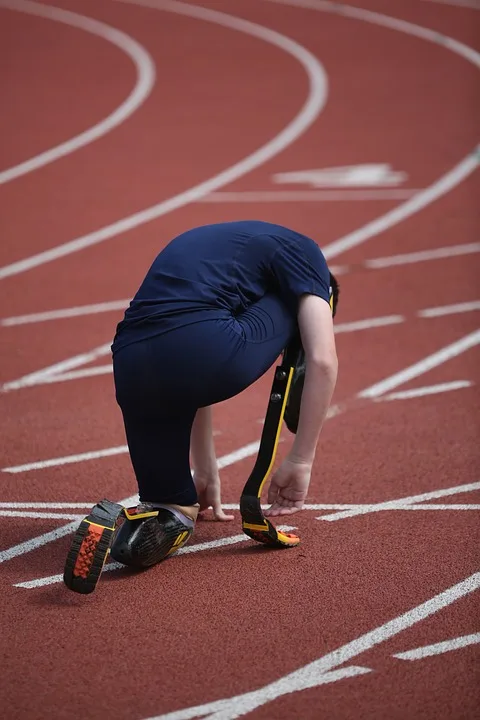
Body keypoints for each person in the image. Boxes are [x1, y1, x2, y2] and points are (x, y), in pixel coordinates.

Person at [63, 220, 339, 591]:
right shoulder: (307, 254)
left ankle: (129, 530)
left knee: (173, 507)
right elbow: (323, 360)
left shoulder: (221, 244)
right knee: (301, 306)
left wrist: (205, 471)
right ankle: (135, 526)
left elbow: (184, 330)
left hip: (131, 364)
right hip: (205, 352)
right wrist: (300, 460)